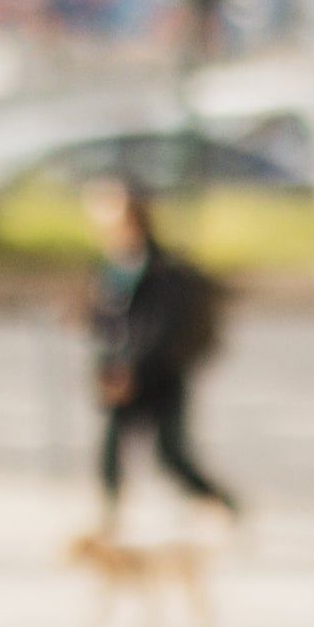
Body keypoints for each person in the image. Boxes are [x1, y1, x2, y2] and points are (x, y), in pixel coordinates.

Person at [77, 176, 237, 537]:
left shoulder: (161, 268)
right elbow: (106, 323)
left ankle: (221, 502)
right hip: (120, 372)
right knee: (111, 447)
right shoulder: (109, 264)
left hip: (158, 375)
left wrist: (132, 366)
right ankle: (110, 516)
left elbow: (158, 327)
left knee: (171, 455)